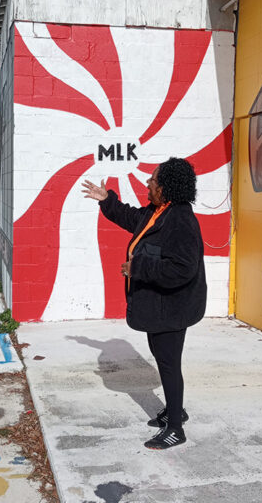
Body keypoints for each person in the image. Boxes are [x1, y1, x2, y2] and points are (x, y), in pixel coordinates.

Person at [82, 157, 206, 450]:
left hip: (172, 309)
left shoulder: (181, 220)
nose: (148, 184)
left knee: (168, 364)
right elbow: (134, 220)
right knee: (163, 359)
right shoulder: (159, 211)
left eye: (153, 180)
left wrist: (138, 268)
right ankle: (176, 410)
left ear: (167, 188)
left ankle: (175, 427)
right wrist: (107, 201)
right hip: (160, 307)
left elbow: (182, 268)